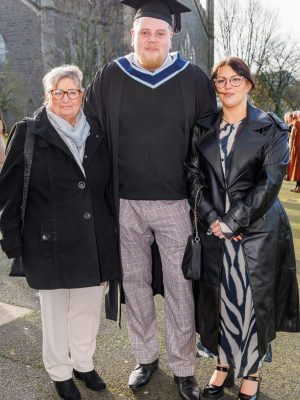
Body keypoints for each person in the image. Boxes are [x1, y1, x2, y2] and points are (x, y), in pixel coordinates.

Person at [84, 0, 216, 398]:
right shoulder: (111, 75)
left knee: (180, 287)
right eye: (145, 32)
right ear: (133, 35)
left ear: (171, 35)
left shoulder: (192, 77)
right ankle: (145, 358)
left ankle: (183, 367)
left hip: (177, 204)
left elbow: (211, 138)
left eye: (159, 32)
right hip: (125, 203)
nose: (152, 39)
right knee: (136, 285)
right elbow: (87, 128)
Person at [0, 65, 121, 400]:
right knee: (55, 314)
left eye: (72, 91)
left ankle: (83, 362)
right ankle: (59, 370)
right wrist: (11, 240)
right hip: (48, 240)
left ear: (82, 95)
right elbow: (8, 191)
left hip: (94, 238)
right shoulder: (28, 132)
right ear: (47, 96)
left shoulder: (98, 130)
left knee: (87, 309)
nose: (66, 97)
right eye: (58, 91)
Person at [185, 57, 299, 400]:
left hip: (258, 230)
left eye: (235, 80)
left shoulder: (273, 128)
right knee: (217, 297)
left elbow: (270, 183)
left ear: (249, 84)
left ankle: (251, 370)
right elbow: (191, 176)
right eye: (220, 81)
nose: (227, 86)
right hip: (214, 229)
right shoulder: (203, 127)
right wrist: (212, 219)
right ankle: (222, 365)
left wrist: (234, 221)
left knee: (251, 301)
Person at [286, 111, 300, 192]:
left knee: (298, 169)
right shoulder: (296, 124)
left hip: (298, 150)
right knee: (297, 169)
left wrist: (291, 119)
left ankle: (299, 187)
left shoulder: (297, 123)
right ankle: (297, 186)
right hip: (296, 149)